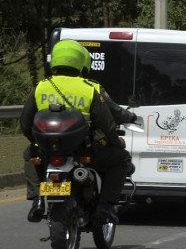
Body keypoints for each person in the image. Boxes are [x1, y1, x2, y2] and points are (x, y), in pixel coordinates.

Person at [20, 39, 126, 223]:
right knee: (121, 159)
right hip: (83, 149)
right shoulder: (88, 88)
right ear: (80, 62)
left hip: (48, 149)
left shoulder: (41, 86)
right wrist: (115, 141)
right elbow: (106, 124)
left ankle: (37, 201)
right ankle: (106, 207)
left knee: (29, 155)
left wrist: (36, 142)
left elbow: (25, 122)